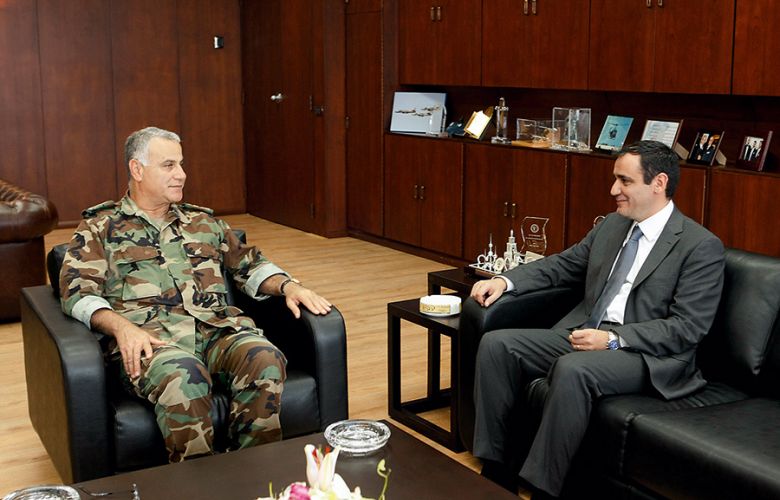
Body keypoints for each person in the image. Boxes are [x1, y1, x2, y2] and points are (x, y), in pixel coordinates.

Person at [59, 126, 332, 463]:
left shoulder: (202, 222)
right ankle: (197, 481)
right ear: (137, 169)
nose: (182, 174)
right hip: (152, 343)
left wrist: (289, 286)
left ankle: (253, 470)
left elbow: (250, 264)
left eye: (181, 164)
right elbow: (76, 292)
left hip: (216, 331)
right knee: (183, 375)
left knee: (264, 356)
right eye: (169, 165)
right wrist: (121, 328)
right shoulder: (100, 228)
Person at [469, 140, 725, 498]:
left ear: (659, 183)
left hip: (645, 354)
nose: (613, 190)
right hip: (587, 333)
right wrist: (505, 280)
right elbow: (563, 264)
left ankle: (543, 488)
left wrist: (614, 340)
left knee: (573, 369)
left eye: (625, 181)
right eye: (615, 179)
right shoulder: (612, 226)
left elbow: (688, 327)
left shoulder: (699, 246)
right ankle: (496, 469)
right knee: (498, 345)